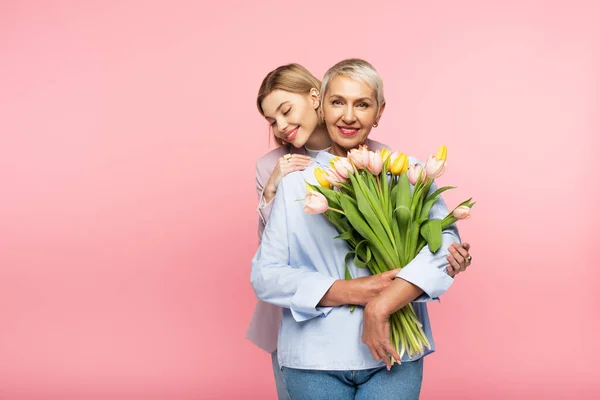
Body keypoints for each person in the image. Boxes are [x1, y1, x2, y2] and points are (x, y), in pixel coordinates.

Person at [247, 62, 473, 399]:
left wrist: (381, 304)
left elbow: (444, 247)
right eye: (338, 102)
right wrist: (357, 290)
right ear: (321, 104)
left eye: (362, 104)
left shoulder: (404, 170)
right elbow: (267, 272)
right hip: (312, 354)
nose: (349, 116)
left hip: (395, 350)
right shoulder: (292, 180)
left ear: (379, 111)